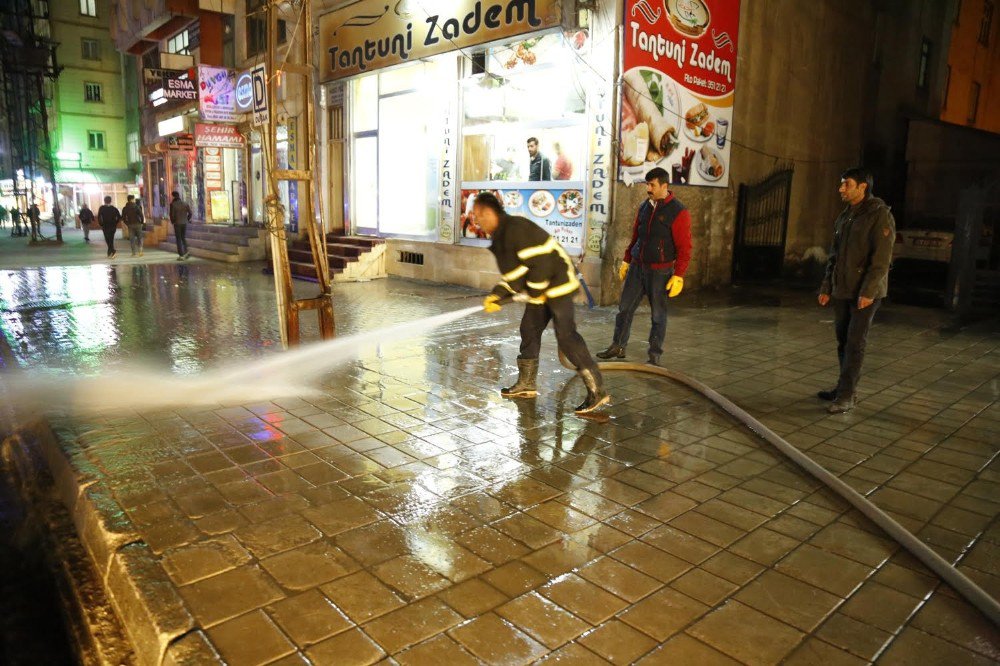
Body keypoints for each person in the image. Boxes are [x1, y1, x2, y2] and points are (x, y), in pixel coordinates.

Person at [477, 192, 609, 414]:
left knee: (566, 336)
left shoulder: (515, 228)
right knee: (529, 327)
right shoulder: (501, 236)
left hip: (558, 284)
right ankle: (527, 383)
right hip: (541, 288)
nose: (475, 220)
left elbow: (542, 262)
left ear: (488, 213)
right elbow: (516, 274)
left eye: (477, 215)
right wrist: (497, 294)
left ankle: (597, 391)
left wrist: (536, 292)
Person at [817, 167, 895, 414]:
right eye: (841, 184)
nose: (841, 188)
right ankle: (843, 387)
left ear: (862, 187)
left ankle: (847, 395)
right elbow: (834, 255)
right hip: (843, 289)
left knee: (854, 343)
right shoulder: (845, 216)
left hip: (864, 293)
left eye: (846, 184)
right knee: (843, 340)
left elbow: (881, 259)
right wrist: (827, 286)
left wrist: (868, 292)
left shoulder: (879, 215)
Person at [597, 167, 692, 366]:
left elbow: (685, 247)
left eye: (652, 185)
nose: (648, 188)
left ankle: (654, 355)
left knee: (658, 314)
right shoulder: (644, 206)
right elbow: (636, 236)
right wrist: (627, 259)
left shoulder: (678, 211)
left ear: (664, 186)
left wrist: (679, 275)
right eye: (647, 184)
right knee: (624, 308)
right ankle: (618, 346)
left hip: (660, 271)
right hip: (637, 267)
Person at [169, 191, 192, 260]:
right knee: (183, 238)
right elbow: (190, 213)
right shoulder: (185, 203)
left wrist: (173, 222)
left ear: (173, 196)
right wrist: (187, 219)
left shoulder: (173, 204)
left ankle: (181, 255)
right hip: (184, 223)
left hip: (177, 223)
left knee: (178, 239)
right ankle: (186, 252)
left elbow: (171, 215)